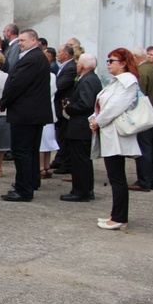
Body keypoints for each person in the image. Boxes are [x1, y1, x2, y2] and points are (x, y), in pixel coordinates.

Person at [90, 48, 141, 230]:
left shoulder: (128, 81)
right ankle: (116, 214)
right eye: (108, 60)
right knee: (114, 176)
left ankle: (120, 217)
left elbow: (114, 108)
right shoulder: (117, 82)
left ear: (123, 63)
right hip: (109, 132)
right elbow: (103, 105)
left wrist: (98, 121)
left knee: (117, 177)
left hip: (116, 134)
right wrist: (94, 119)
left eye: (112, 60)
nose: (108, 63)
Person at [0, 29, 53, 202]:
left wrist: (4, 102)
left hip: (26, 113)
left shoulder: (32, 59)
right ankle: (31, 182)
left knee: (22, 151)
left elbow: (17, 84)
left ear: (34, 41)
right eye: (19, 40)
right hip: (33, 113)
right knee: (30, 150)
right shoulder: (36, 57)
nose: (20, 43)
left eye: (23, 40)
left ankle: (23, 189)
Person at [60, 53, 102, 202]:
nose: (77, 65)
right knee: (83, 159)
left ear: (82, 66)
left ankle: (81, 191)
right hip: (83, 126)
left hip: (81, 125)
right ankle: (86, 189)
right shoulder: (91, 79)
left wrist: (70, 107)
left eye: (78, 63)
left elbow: (85, 103)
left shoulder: (87, 80)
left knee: (80, 160)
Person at [129, 47, 153, 192]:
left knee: (144, 149)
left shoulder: (142, 72)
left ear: (137, 57)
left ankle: (144, 181)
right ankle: (152, 180)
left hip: (146, 117)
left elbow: (138, 95)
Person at [50, 44, 78, 175]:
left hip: (64, 106)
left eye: (60, 52)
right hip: (59, 105)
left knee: (64, 136)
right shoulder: (65, 67)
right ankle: (60, 159)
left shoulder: (71, 68)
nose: (57, 54)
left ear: (66, 54)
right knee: (61, 135)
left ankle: (66, 163)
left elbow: (60, 86)